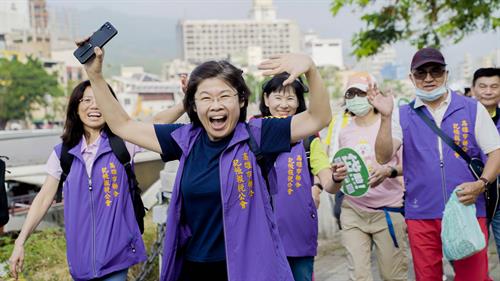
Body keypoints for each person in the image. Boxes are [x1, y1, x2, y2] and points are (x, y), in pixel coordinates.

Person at [78, 38, 332, 281]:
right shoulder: (184, 139)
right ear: (194, 105)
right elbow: (123, 126)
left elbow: (317, 118)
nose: (216, 105)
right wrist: (95, 75)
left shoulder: (258, 135)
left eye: (224, 96)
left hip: (248, 268)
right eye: (206, 98)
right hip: (194, 268)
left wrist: (310, 68)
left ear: (241, 100)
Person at [369, 47, 500, 281]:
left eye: (435, 71)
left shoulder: (471, 108)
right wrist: (386, 118)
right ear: (412, 78)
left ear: (446, 74)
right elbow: (383, 156)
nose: (429, 78)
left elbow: (496, 152)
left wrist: (481, 184)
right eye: (421, 73)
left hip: (466, 207)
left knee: (473, 277)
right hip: (421, 211)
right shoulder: (401, 114)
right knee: (426, 276)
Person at [8, 81, 147, 281]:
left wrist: (187, 103)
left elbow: (156, 125)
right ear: (76, 107)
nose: (94, 106)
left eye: (100, 100)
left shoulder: (123, 142)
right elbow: (43, 198)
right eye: (87, 100)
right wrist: (20, 242)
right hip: (80, 264)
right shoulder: (63, 153)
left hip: (117, 258)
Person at [258, 72, 346, 281]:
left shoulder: (309, 142)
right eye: (278, 97)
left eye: (290, 98)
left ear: (299, 102)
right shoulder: (253, 134)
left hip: (299, 233)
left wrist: (336, 178)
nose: (284, 104)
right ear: (266, 100)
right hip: (260, 234)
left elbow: (329, 183)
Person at [335, 72, 408, 281]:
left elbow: (407, 166)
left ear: (373, 94)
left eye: (361, 92)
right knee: (358, 275)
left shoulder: (391, 125)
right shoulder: (345, 132)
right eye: (351, 94)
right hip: (353, 210)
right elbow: (344, 164)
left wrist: (388, 171)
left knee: (392, 275)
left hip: (387, 211)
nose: (356, 98)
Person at [471, 67, 500, 263]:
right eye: (482, 86)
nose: (488, 91)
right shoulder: (460, 119)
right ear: (473, 89)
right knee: (472, 260)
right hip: (471, 199)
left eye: (494, 86)